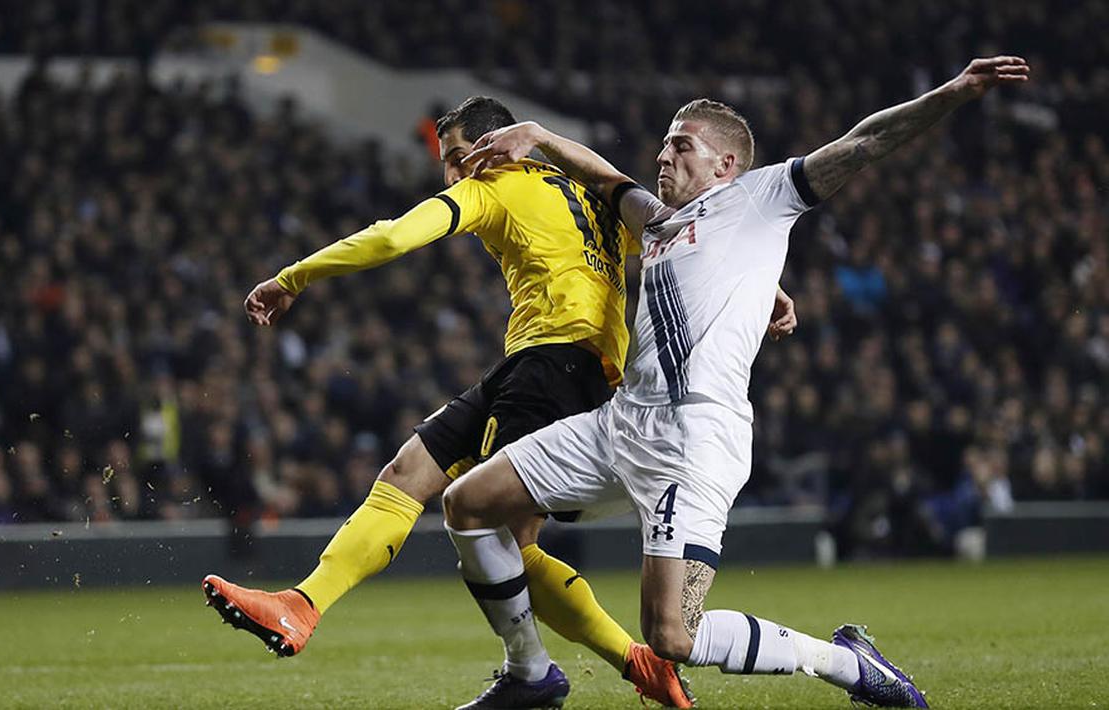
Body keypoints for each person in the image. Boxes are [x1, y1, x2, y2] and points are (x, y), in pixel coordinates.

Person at [441, 56, 1029, 709]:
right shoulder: (658, 222)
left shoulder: (758, 198)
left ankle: (846, 663)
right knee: (466, 504)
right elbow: (607, 177)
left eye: (680, 145)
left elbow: (863, 143)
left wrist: (952, 92)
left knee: (670, 635)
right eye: (663, 142)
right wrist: (541, 138)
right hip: (620, 423)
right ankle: (528, 676)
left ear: (725, 165)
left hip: (691, 436)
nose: (663, 155)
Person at [200, 95, 772, 707]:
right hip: (542, 366)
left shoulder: (493, 184)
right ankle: (302, 604)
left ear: (492, 146)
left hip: (554, 367)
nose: (450, 175)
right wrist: (772, 287)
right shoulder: (586, 196)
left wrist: (293, 278)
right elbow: (695, 248)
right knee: (407, 474)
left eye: (455, 157)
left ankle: (596, 666)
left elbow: (392, 238)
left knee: (504, 541)